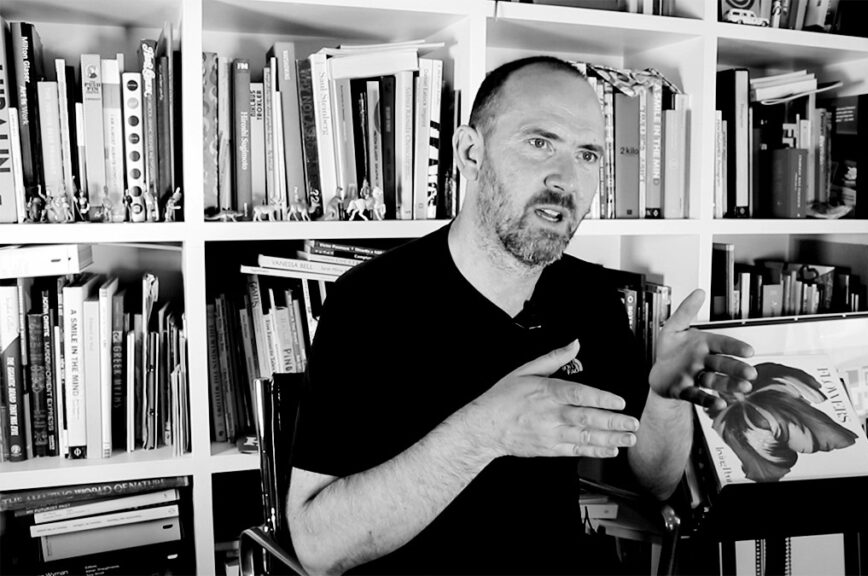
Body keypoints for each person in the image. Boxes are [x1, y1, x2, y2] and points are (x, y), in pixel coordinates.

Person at [287, 55, 757, 575]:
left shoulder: (589, 293)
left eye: (586, 155)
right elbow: (316, 547)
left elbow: (655, 482)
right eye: (539, 143)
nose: (565, 179)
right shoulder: (370, 302)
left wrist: (666, 399)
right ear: (470, 152)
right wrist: (485, 431)